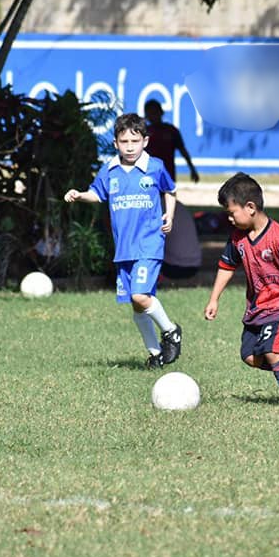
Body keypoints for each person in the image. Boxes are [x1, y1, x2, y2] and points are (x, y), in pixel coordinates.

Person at [64, 113, 183, 369]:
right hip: (123, 249)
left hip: (149, 243)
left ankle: (171, 331)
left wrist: (169, 215)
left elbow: (170, 190)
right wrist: (79, 195)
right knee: (137, 305)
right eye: (124, 141)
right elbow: (97, 194)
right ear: (116, 143)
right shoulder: (110, 170)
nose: (130, 146)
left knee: (140, 296)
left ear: (145, 141)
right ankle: (155, 354)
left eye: (135, 140)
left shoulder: (155, 166)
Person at [203, 172, 279, 412]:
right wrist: (214, 298)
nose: (229, 219)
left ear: (250, 207)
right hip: (257, 309)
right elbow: (227, 266)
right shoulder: (238, 238)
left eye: (231, 213)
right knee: (250, 356)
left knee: (271, 350)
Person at [142, 99, 202, 280]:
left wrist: (192, 169)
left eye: (155, 111)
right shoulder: (145, 133)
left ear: (161, 112)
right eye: (150, 112)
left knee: (166, 213)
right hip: (150, 181)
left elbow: (183, 150)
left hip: (167, 180)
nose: (153, 115)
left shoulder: (171, 131)